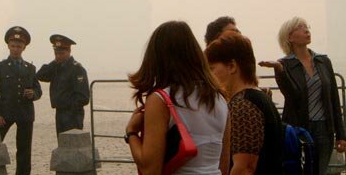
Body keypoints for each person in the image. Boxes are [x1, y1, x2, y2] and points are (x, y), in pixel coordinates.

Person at [125, 21, 229, 175]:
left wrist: (131, 133)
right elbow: (224, 165)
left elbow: (150, 170)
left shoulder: (161, 100)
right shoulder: (220, 99)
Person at [259, 16, 346, 175]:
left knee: (320, 170)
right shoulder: (284, 64)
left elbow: (333, 97)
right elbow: (291, 96)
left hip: (324, 128)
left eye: (307, 27)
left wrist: (341, 135)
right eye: (300, 27)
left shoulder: (323, 61)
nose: (306, 30)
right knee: (300, 171)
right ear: (290, 37)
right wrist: (279, 70)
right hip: (299, 127)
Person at [205, 31, 283, 175]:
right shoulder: (260, 97)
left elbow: (244, 168)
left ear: (232, 66)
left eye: (212, 69)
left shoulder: (242, 105)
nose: (209, 76)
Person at [0, 26, 42, 175]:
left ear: (24, 47)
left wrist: (33, 94)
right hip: (5, 114)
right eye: (13, 46)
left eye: (19, 46)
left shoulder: (30, 68)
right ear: (8, 46)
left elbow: (38, 90)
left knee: (24, 151)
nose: (15, 49)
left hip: (25, 114)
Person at [36, 34, 90, 135]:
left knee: (73, 145)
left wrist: (68, 106)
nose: (58, 56)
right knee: (62, 145)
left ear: (69, 51)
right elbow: (40, 75)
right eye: (56, 53)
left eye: (61, 53)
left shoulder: (77, 69)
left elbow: (83, 97)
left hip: (73, 114)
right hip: (60, 112)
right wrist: (54, 62)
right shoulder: (56, 67)